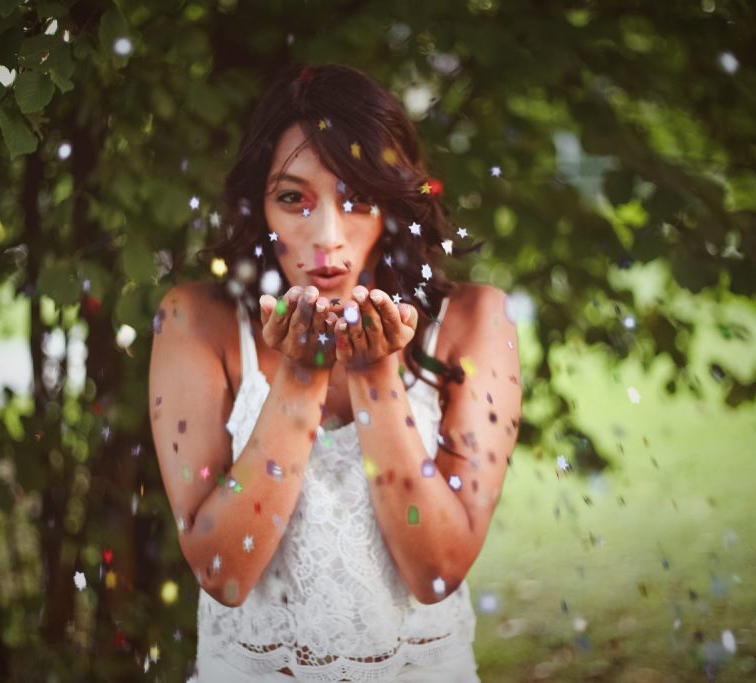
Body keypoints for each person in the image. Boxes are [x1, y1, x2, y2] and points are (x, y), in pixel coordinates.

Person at [149, 63, 521, 682]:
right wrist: (301, 375)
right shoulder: (195, 322)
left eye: (357, 196)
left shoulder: (475, 322)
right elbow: (225, 574)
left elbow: (436, 572)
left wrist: (376, 375)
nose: (326, 237)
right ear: (259, 205)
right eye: (293, 197)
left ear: (393, 203)